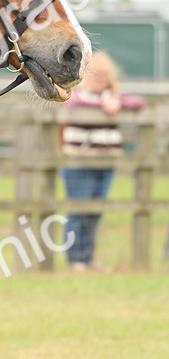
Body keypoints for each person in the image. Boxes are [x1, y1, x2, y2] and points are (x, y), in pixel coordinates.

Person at [60, 51, 144, 271]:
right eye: (95, 73)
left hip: (105, 164)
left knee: (94, 212)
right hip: (79, 164)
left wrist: (116, 102)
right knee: (78, 210)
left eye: (104, 74)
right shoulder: (76, 94)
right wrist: (103, 107)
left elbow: (138, 102)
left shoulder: (112, 96)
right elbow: (70, 104)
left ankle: (88, 259)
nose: (99, 78)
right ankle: (75, 260)